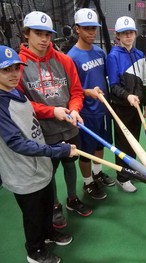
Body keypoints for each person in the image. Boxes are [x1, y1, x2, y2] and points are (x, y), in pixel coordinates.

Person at [17, 11, 92, 229]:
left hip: (69, 127)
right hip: (43, 132)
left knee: (71, 163)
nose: (44, 39)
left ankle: (71, 199)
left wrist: (74, 109)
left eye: (47, 35)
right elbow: (22, 104)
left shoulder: (64, 60)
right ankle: (54, 205)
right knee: (49, 171)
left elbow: (77, 92)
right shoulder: (18, 65)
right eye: (38, 34)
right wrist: (52, 112)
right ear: (26, 34)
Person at [0, 45, 74, 263]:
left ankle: (49, 233)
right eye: (6, 70)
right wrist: (58, 149)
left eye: (16, 68)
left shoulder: (16, 91)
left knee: (46, 205)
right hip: (22, 173)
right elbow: (17, 143)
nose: (14, 74)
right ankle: (35, 251)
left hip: (39, 166)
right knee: (32, 215)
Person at [67, 8, 115, 200]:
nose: (92, 32)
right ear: (77, 29)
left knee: (100, 145)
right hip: (86, 113)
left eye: (94, 28)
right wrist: (88, 92)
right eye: (87, 28)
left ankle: (97, 172)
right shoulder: (72, 57)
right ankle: (88, 183)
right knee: (86, 151)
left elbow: (104, 78)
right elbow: (73, 90)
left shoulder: (99, 52)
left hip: (103, 110)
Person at [106, 16, 146, 192]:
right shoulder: (113, 56)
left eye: (130, 33)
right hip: (121, 107)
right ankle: (122, 178)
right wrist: (128, 97)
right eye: (124, 34)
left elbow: (142, 83)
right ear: (118, 35)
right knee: (123, 142)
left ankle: (131, 171)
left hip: (137, 107)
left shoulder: (140, 54)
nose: (128, 36)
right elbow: (114, 86)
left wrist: (145, 103)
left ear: (135, 34)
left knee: (135, 141)